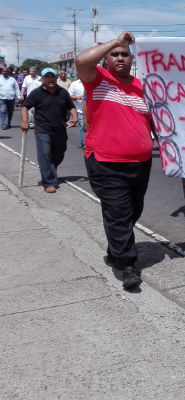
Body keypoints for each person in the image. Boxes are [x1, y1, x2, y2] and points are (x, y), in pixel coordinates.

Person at [75, 32, 153, 290]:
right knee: (118, 213)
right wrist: (118, 40)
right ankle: (127, 265)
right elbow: (81, 61)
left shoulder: (144, 87)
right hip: (106, 162)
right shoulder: (97, 79)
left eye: (124, 54)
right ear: (106, 58)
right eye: (114, 54)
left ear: (132, 59)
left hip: (141, 162)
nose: (120, 58)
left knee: (132, 211)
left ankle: (115, 249)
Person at [20, 68, 77, 193]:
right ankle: (49, 182)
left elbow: (71, 106)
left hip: (60, 128)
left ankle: (51, 170)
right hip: (42, 128)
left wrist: (75, 117)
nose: (50, 79)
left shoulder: (63, 92)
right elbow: (24, 106)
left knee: (59, 153)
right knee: (45, 154)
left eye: (52, 76)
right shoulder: (36, 93)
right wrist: (24, 121)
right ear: (42, 79)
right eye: (47, 77)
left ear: (56, 78)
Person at [67, 78, 86, 147]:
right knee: (82, 127)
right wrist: (78, 97)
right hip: (80, 110)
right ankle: (85, 144)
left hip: (91, 110)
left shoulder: (91, 82)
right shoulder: (74, 84)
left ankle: (83, 142)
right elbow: (69, 96)